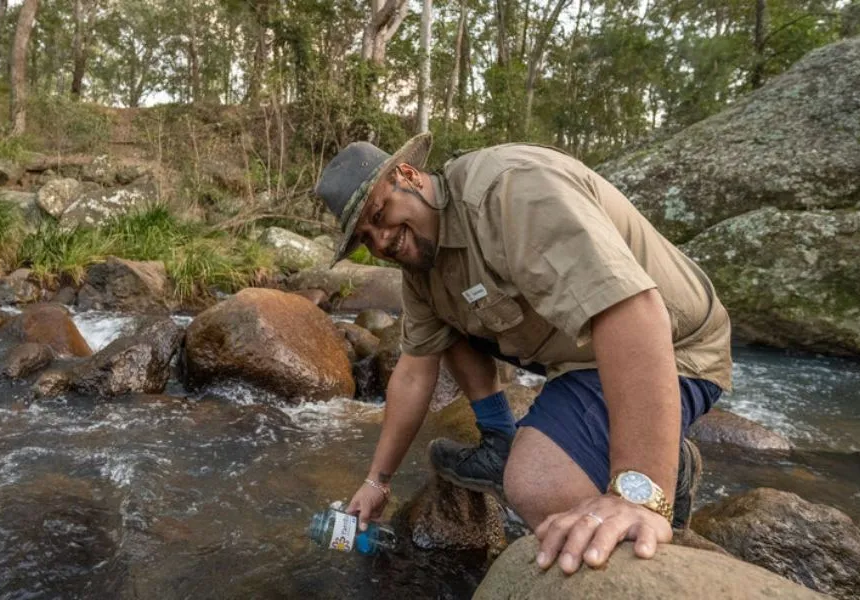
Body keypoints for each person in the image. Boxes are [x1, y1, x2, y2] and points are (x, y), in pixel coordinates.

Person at [314, 132, 732, 575]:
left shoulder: (513, 191)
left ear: (408, 175)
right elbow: (415, 372)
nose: (382, 241)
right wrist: (377, 481)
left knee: (536, 487)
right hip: (579, 358)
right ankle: (500, 440)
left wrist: (639, 490)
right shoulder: (421, 267)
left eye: (380, 214)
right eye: (366, 238)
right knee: (444, 326)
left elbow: (633, 310)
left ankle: (668, 469)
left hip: (675, 344)